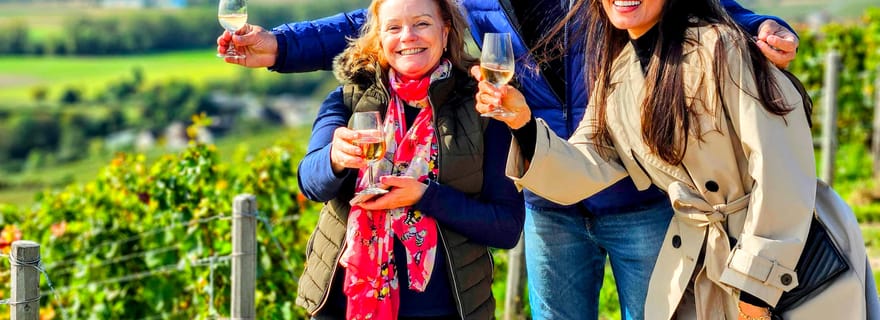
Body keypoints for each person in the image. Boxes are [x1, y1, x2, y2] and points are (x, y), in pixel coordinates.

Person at [217, 1, 798, 319]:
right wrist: (281, 46)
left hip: (638, 198)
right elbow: (377, 21)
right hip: (549, 194)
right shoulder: (461, 4)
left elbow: (691, 5)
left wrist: (756, 26)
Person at [472, 0, 880, 318]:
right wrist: (523, 123)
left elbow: (782, 171)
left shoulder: (724, 46)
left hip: (789, 258)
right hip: (701, 264)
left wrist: (757, 292)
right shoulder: (616, 72)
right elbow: (588, 161)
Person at [294, 0, 524, 318]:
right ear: (379, 37)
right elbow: (310, 182)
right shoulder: (348, 98)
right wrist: (333, 158)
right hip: (343, 305)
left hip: (444, 308)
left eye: (421, 24)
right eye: (393, 27)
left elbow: (507, 227)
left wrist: (425, 196)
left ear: (445, 32)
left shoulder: (481, 107)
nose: (407, 36)